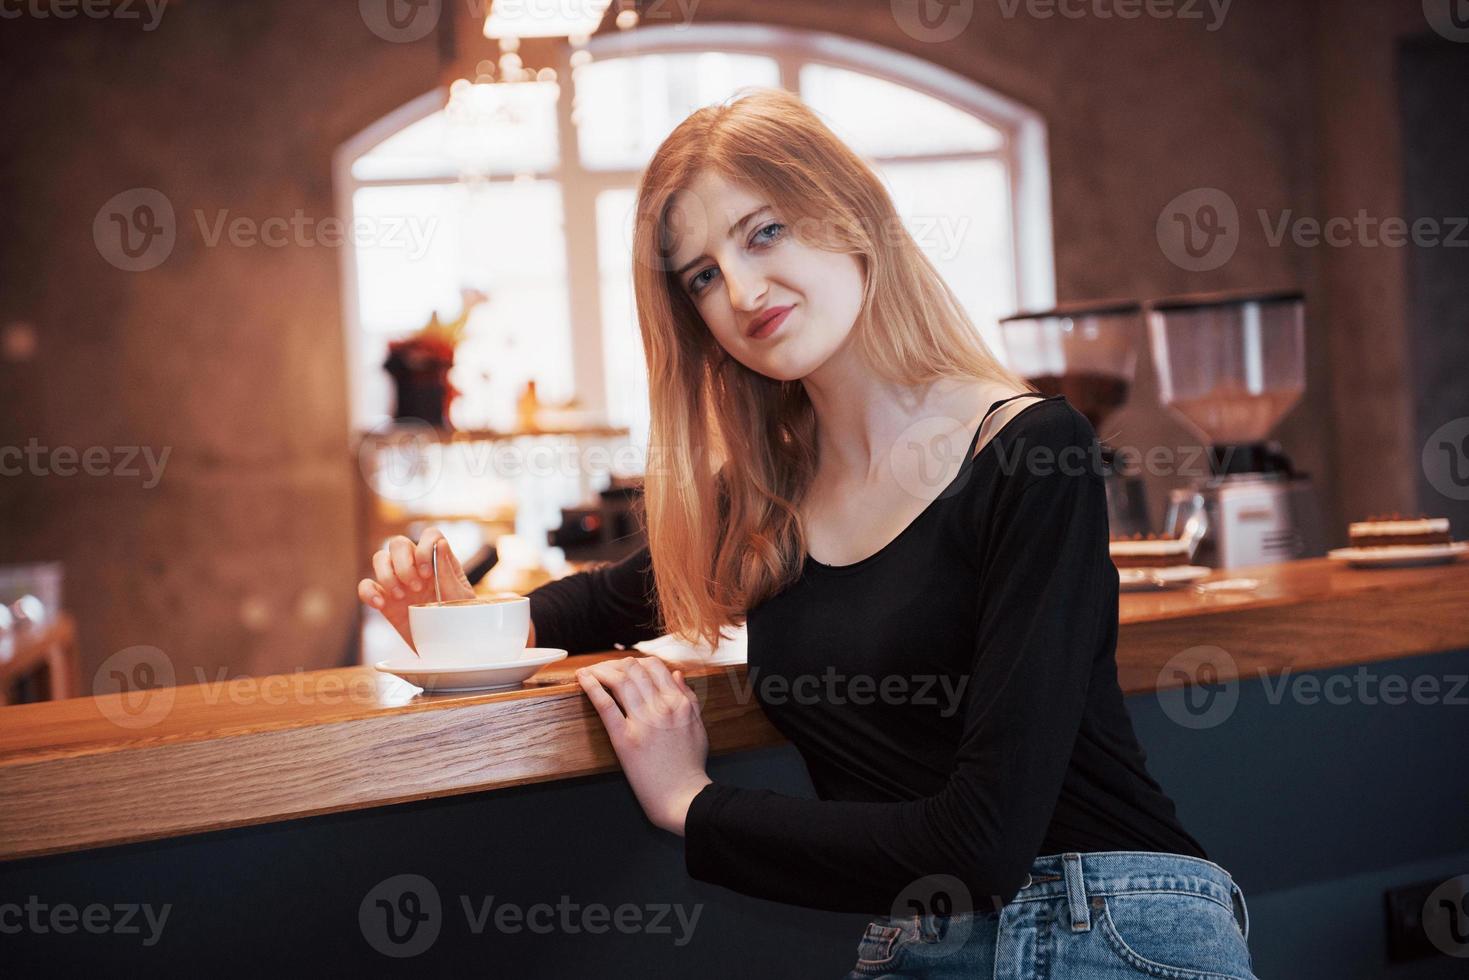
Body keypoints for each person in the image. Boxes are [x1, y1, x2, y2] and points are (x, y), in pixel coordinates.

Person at [358, 87, 1257, 979]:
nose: (742, 290)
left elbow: (981, 844)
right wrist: (453, 624)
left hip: (1105, 920)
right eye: (702, 275)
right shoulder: (762, 500)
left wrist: (689, 803)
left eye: (763, 232)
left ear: (850, 216)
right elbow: (600, 600)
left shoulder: (1029, 452)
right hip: (916, 946)